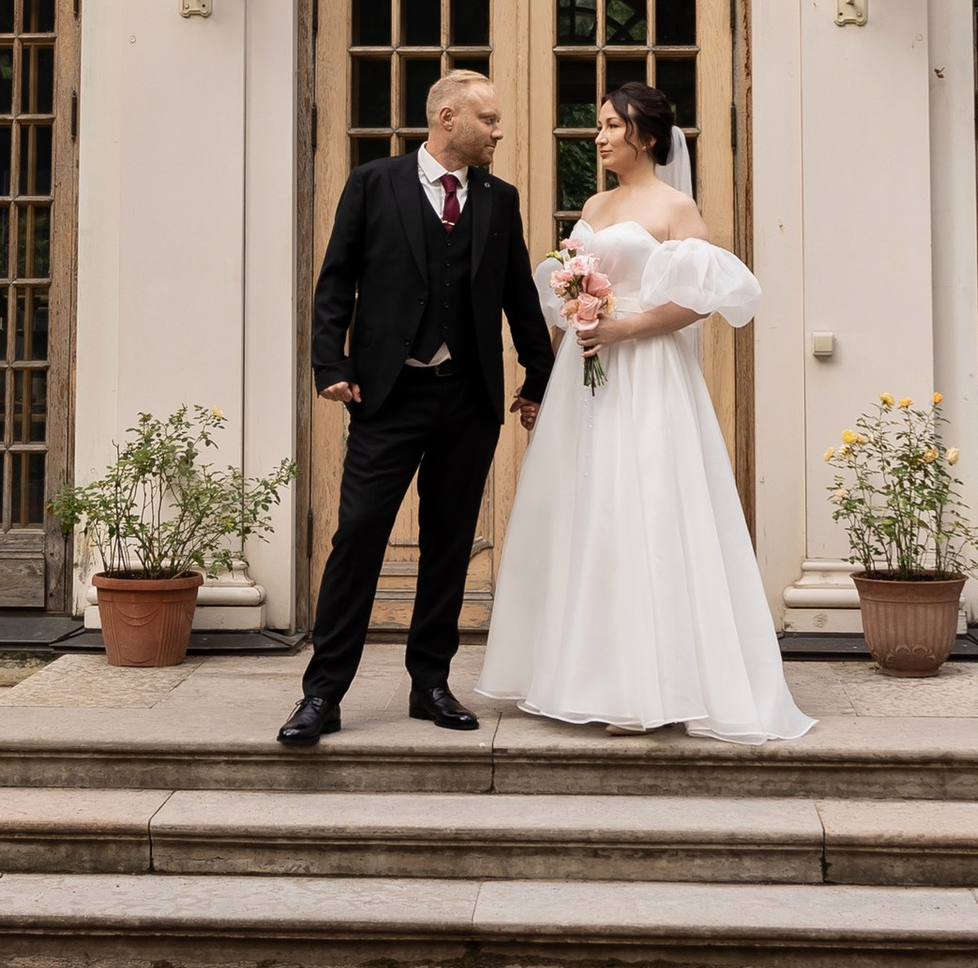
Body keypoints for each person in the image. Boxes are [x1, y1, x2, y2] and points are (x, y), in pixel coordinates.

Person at [478, 79, 812, 743]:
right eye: (598, 125)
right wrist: (544, 381)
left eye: (609, 125)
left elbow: (699, 300)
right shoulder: (596, 202)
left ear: (647, 136)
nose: (598, 135)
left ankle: (647, 687)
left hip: (648, 373)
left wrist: (624, 331)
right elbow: (565, 298)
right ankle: (580, 675)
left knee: (644, 507)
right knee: (586, 510)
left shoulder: (675, 208)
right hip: (585, 372)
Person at [283, 70, 556, 747]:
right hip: (389, 395)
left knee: (448, 544)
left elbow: (519, 293)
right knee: (359, 538)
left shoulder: (499, 199)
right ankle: (323, 693)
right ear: (445, 118)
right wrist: (330, 364)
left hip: (468, 399)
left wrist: (537, 376)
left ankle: (430, 682)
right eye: (488, 119)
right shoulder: (373, 183)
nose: (498, 131)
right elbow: (336, 281)